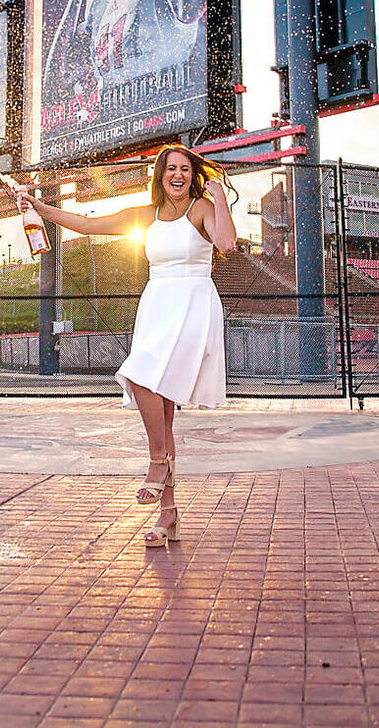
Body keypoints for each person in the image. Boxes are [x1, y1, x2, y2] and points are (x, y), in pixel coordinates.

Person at [16, 144, 236, 548]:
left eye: (185, 169)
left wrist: (219, 195)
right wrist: (41, 208)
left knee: (140, 375)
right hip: (157, 306)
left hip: (194, 305)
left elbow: (226, 243)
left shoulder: (202, 208)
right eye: (170, 168)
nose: (177, 175)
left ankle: (155, 465)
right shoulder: (146, 216)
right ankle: (167, 514)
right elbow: (85, 224)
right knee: (162, 411)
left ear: (193, 174)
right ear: (160, 174)